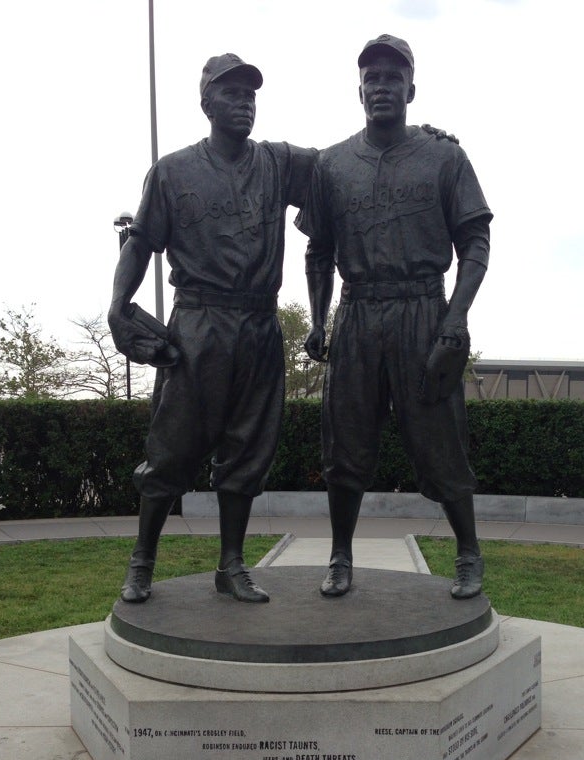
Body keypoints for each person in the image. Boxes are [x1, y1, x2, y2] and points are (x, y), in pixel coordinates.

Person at [108, 53, 316, 605]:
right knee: (171, 449)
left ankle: (231, 565)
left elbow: (344, 164)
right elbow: (142, 242)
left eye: (251, 93)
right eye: (231, 93)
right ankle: (142, 563)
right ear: (207, 103)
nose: (244, 101)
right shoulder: (173, 171)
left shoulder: (276, 162)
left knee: (247, 451)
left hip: (259, 323)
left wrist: (414, 138)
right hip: (199, 322)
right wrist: (116, 306)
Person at [296, 35, 493, 600]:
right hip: (356, 314)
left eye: (392, 77)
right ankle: (339, 555)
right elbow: (318, 251)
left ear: (411, 88)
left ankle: (468, 551)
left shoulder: (444, 156)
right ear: (359, 91)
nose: (381, 86)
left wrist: (455, 318)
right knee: (345, 445)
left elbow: (475, 242)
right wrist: (316, 320)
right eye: (371, 78)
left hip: (422, 311)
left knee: (441, 441)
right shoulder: (332, 164)